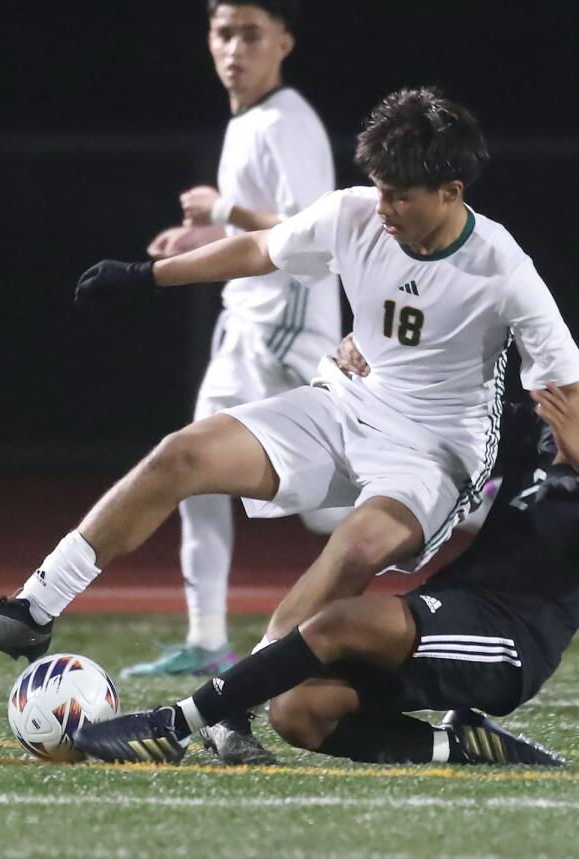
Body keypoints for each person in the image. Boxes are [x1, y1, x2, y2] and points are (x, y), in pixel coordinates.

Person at [0, 86, 579, 759]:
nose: (385, 208)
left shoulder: (503, 266)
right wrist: (146, 276)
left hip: (433, 454)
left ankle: (233, 707)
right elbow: (259, 250)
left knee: (355, 549)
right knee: (181, 454)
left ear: (452, 191)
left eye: (402, 194)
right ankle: (34, 608)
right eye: (380, 189)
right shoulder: (356, 214)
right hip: (344, 403)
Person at [72, 316, 579, 765]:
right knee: (301, 712)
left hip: (512, 638)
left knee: (334, 623)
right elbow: (455, 413)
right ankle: (461, 746)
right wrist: (372, 359)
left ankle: (172, 726)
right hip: (455, 603)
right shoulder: (562, 431)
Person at [125, 0, 345, 681]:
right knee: (193, 473)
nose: (235, 48)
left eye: (251, 34)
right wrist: (203, 240)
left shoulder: (286, 120)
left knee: (333, 505)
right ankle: (207, 638)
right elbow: (262, 231)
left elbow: (313, 232)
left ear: (285, 41)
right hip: (245, 323)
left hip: (287, 330)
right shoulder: (248, 120)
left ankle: (469, 490)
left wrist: (221, 210)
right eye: (224, 33)